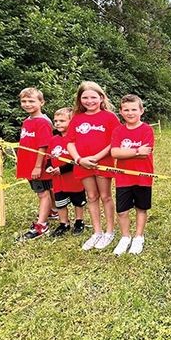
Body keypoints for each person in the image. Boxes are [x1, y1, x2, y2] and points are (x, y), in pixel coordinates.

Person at [66, 81, 120, 251]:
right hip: (82, 164)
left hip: (102, 163)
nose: (89, 101)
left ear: (101, 98)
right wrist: (79, 159)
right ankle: (97, 231)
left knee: (105, 196)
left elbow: (114, 141)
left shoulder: (110, 117)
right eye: (85, 97)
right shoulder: (77, 118)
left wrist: (96, 157)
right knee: (91, 196)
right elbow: (69, 141)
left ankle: (109, 231)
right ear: (79, 99)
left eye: (93, 97)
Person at [110, 95, 154, 255]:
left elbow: (145, 154)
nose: (130, 113)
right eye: (126, 110)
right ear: (121, 112)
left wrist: (126, 152)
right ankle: (125, 237)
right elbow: (114, 152)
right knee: (122, 210)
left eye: (134, 109)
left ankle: (138, 237)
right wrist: (136, 150)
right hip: (123, 178)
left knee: (141, 208)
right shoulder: (118, 130)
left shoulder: (147, 129)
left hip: (143, 176)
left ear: (141, 111)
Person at [17, 87, 54, 239]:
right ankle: (52, 211)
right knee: (46, 190)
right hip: (28, 164)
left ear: (41, 102)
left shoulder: (43, 122)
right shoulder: (27, 121)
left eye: (31, 101)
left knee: (42, 193)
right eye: (24, 101)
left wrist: (38, 166)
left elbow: (43, 145)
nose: (27, 104)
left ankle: (42, 225)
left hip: (38, 165)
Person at [47, 107, 87, 237]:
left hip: (74, 179)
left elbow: (76, 160)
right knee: (60, 202)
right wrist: (48, 167)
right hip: (58, 181)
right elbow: (49, 156)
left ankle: (79, 221)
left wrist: (62, 169)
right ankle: (63, 223)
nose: (57, 123)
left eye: (62, 121)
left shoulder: (76, 140)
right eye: (56, 120)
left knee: (78, 202)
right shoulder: (53, 139)